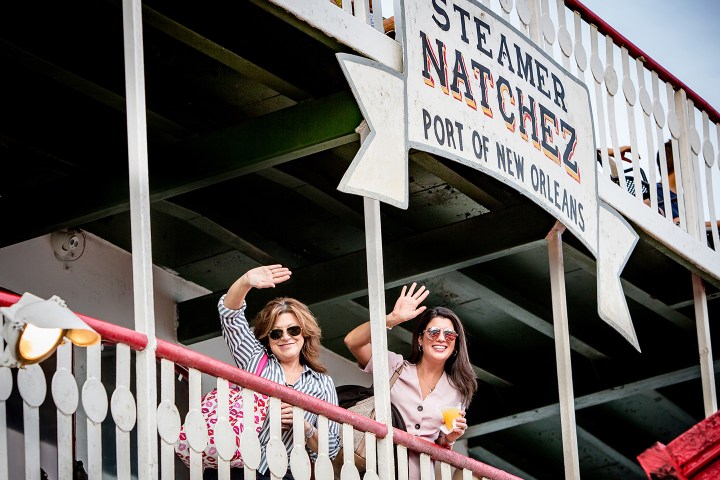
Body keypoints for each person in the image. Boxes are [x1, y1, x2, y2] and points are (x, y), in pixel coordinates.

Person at [213, 264, 341, 480]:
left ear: (305, 333)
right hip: (238, 468)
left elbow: (331, 449)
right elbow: (230, 316)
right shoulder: (253, 359)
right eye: (276, 333)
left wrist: (306, 427)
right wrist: (245, 281)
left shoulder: (322, 383)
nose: (285, 337)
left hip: (284, 473)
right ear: (267, 337)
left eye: (293, 330)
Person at [344, 283, 478, 479]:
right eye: (433, 332)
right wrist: (391, 319)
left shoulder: (459, 390)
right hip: (377, 469)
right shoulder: (395, 367)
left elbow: (440, 444)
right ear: (421, 340)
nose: (441, 338)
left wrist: (449, 439)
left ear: (455, 345)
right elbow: (352, 342)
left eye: (449, 335)